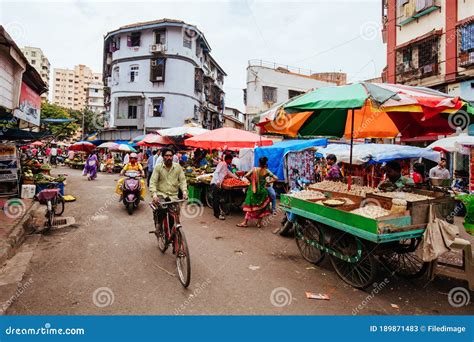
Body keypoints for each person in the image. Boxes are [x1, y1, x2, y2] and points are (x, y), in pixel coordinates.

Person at [237, 157, 276, 228]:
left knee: (250, 206)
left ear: (259, 163)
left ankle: (245, 222)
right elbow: (276, 178)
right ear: (265, 164)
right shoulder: (267, 171)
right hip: (263, 192)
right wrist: (268, 182)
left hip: (254, 191)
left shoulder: (254, 169)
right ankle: (258, 223)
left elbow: (246, 175)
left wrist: (252, 181)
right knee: (262, 207)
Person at [210, 153, 239, 220]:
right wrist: (217, 181)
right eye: (231, 160)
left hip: (218, 184)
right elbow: (216, 172)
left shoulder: (225, 165)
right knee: (216, 199)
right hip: (215, 183)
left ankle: (220, 211)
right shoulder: (222, 163)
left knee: (218, 198)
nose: (231, 161)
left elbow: (229, 173)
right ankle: (217, 214)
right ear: (228, 159)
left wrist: (237, 178)